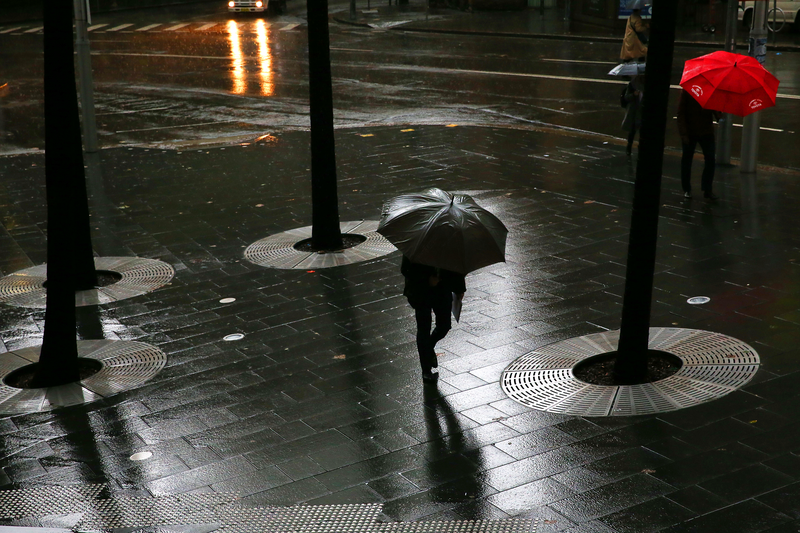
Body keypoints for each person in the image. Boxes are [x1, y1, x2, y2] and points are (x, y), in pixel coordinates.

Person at [401, 256, 465, 382]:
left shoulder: (448, 242)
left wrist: (460, 288)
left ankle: (428, 349)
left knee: (444, 325)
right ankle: (426, 371)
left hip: (442, 289)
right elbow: (406, 269)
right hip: (420, 290)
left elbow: (457, 264)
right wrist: (427, 279)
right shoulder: (418, 244)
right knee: (424, 328)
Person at [677, 89, 720, 200]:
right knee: (687, 160)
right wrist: (684, 134)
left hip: (706, 131)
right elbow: (681, 113)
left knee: (710, 159)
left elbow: (717, 113)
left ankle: (707, 189)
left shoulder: (710, 92)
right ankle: (687, 188)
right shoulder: (687, 91)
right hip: (690, 131)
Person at [622, 75, 645, 157]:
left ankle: (641, 148)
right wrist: (634, 95)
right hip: (634, 112)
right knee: (632, 131)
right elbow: (626, 97)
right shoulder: (632, 85)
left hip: (642, 112)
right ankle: (629, 147)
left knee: (642, 132)